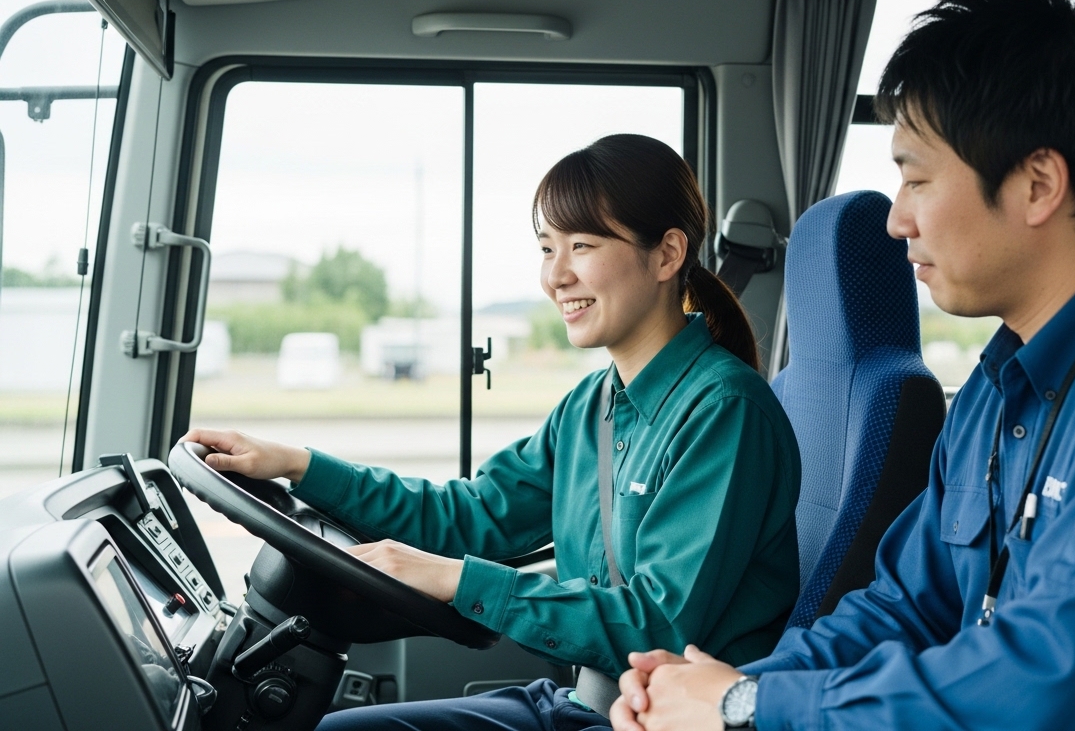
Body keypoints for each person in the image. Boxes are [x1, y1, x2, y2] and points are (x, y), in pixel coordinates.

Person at [610, 0, 1075, 731]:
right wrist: (715, 693)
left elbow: (1043, 683)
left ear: (1038, 185)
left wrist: (747, 707)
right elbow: (904, 606)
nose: (898, 220)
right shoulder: (997, 384)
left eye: (916, 180)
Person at [183, 133, 802, 731]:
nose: (555, 276)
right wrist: (297, 464)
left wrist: (452, 578)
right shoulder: (590, 405)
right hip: (580, 704)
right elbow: (472, 513)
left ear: (667, 254)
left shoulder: (726, 411)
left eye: (581, 245)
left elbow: (656, 626)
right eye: (546, 249)